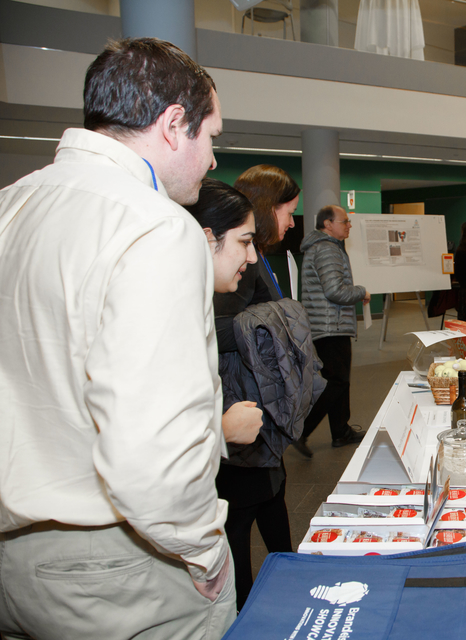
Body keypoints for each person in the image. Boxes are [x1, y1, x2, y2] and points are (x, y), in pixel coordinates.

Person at [0, 38, 236, 639]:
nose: (213, 160)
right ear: (173, 124)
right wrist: (203, 548)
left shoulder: (12, 205)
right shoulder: (156, 227)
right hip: (121, 568)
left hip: (14, 562)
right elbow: (150, 453)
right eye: (211, 137)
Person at [213, 165, 305, 609]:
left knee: (272, 493)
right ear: (268, 208)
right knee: (244, 510)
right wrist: (274, 324)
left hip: (261, 404)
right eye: (288, 211)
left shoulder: (264, 255)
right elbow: (214, 329)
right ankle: (243, 606)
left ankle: (289, 572)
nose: (291, 221)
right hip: (242, 403)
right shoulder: (240, 265)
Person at [187, 178, 266, 447]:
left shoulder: (196, 305)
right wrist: (222, 431)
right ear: (208, 239)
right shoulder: (168, 319)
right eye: (244, 242)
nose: (252, 257)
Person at [298, 204, 369, 454]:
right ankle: (301, 430)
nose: (349, 225)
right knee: (335, 382)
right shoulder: (327, 249)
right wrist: (361, 291)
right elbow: (334, 291)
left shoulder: (323, 247)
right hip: (330, 325)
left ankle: (341, 431)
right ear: (328, 224)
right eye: (344, 221)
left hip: (328, 324)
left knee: (339, 380)